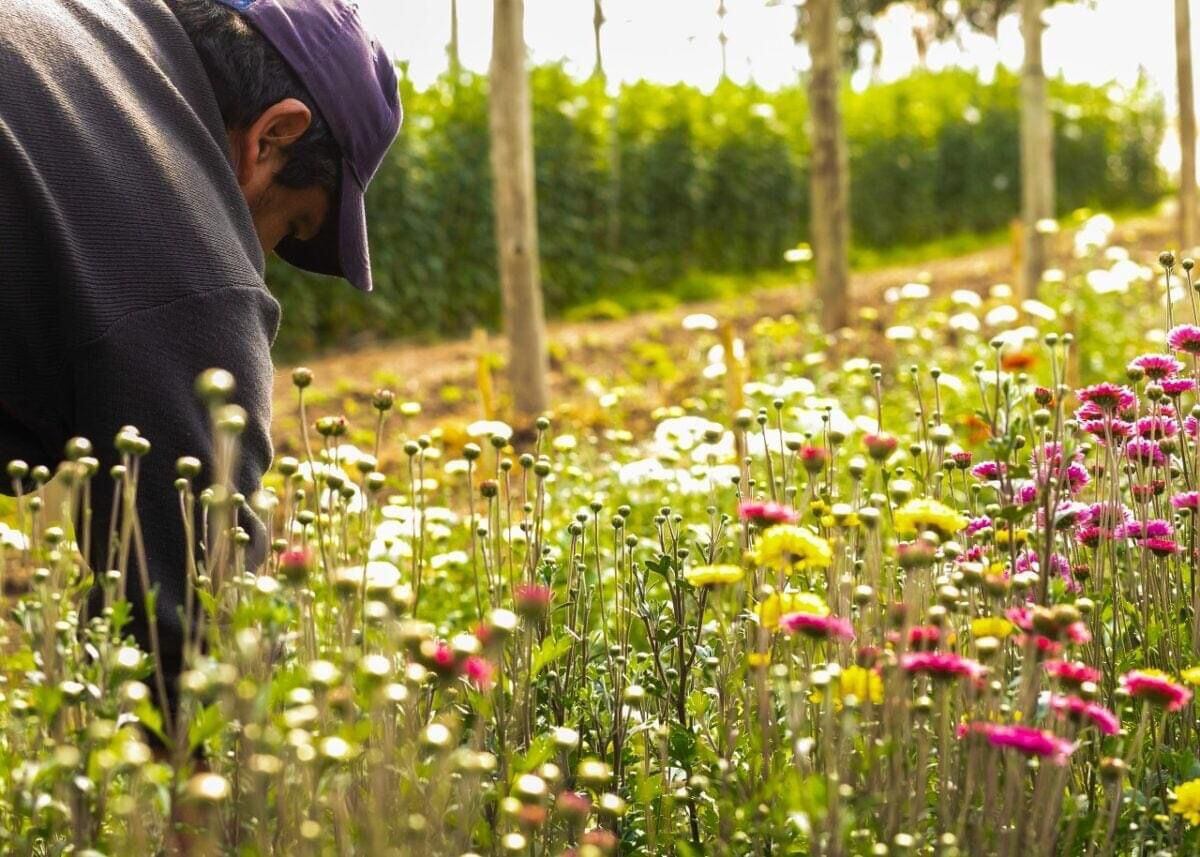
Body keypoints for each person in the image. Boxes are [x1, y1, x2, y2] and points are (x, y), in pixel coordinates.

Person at [0, 0, 401, 716]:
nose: (266, 255)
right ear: (272, 137)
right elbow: (192, 643)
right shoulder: (190, 261)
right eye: (292, 224)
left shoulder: (74, 24)